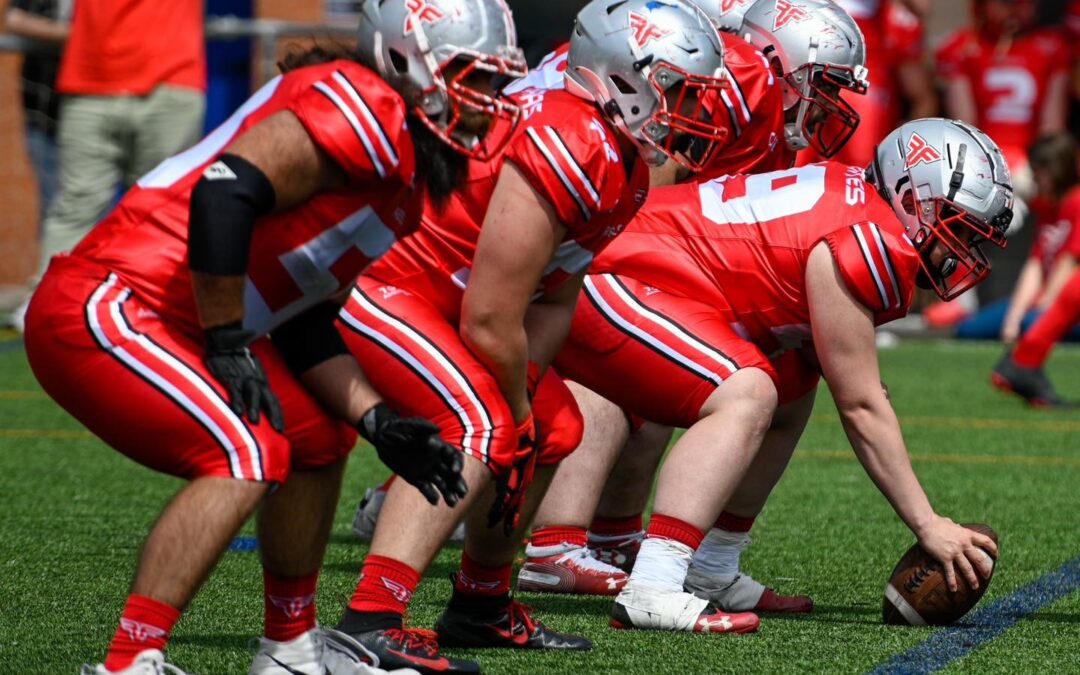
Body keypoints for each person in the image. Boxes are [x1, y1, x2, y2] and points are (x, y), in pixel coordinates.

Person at [23, 0, 526, 672]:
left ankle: (288, 648)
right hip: (112, 294)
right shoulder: (362, 101)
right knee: (248, 448)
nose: (487, 101)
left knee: (320, 438)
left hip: (176, 314)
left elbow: (303, 312)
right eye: (475, 77)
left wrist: (377, 421)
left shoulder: (404, 179)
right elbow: (223, 192)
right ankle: (128, 660)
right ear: (407, 64)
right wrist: (229, 338)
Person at [324, 0, 733, 671]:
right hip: (386, 282)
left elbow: (554, 296)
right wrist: (510, 405)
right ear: (623, 77)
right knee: (481, 422)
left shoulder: (622, 163)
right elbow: (489, 314)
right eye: (680, 92)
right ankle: (371, 617)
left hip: (442, 298)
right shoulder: (570, 138)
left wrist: (528, 397)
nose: (693, 112)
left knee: (556, 428)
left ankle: (480, 605)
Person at [550, 117, 1010, 633]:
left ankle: (711, 568)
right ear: (912, 197)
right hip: (605, 276)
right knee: (749, 392)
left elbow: (846, 379)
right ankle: (655, 582)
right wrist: (928, 523)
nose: (962, 253)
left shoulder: (859, 206)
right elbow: (860, 406)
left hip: (625, 272)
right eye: (960, 228)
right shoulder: (871, 237)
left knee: (793, 381)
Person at [522, 0, 869, 604]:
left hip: (626, 239)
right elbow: (639, 181)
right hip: (585, 229)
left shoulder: (762, 100)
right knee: (631, 359)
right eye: (826, 84)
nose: (832, 104)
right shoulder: (736, 80)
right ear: (783, 57)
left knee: (749, 374)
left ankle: (628, 537)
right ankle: (553, 542)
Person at [11, 0, 208, 333]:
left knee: (160, 209)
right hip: (90, 81)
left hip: (171, 80)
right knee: (77, 203)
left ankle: (158, 302)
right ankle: (47, 299)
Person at [956, 133, 1080, 343]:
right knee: (968, 329)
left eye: (1037, 173)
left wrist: (1043, 311)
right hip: (1042, 301)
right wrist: (1014, 316)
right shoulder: (1048, 209)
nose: (1033, 180)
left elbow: (1068, 264)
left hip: (1068, 305)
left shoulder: (1076, 202)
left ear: (1055, 171)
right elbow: (1036, 264)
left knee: (1031, 324)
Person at [4, 0, 69, 331]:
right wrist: (76, 35)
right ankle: (48, 294)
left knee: (82, 207)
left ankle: (74, 294)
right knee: (58, 207)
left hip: (99, 102)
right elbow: (12, 17)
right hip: (44, 109)